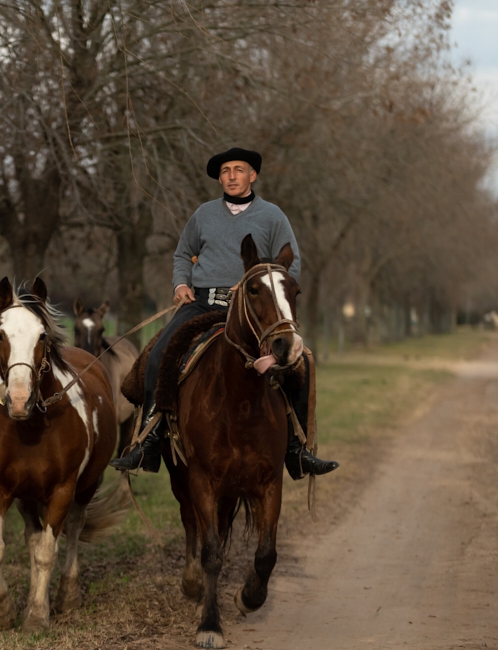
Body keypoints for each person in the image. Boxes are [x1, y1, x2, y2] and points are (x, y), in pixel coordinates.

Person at [110, 147, 339, 479]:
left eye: (239, 170)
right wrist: (180, 284)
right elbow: (182, 254)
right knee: (159, 354)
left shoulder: (273, 216)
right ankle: (148, 441)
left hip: (253, 309)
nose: (232, 176)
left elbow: (291, 264)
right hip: (202, 303)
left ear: (252, 175)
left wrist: (254, 286)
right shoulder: (203, 214)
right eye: (226, 171)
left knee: (300, 361)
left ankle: (297, 451)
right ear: (220, 178)